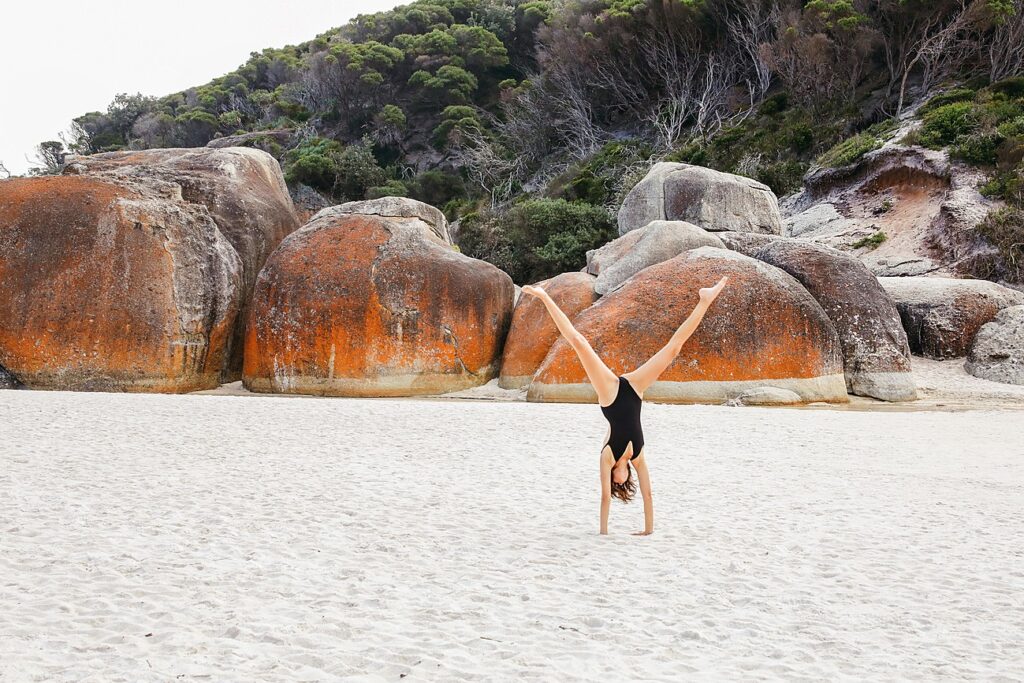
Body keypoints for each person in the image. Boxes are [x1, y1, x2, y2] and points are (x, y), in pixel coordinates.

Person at [521, 276, 729, 536]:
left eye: (616, 484)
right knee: (673, 349)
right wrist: (648, 530)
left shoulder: (607, 457)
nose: (620, 483)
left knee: (578, 342)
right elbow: (649, 494)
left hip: (609, 395)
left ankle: (543, 296)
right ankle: (705, 298)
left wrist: (603, 533)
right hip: (633, 390)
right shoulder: (639, 456)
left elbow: (605, 499)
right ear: (627, 475)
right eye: (623, 484)